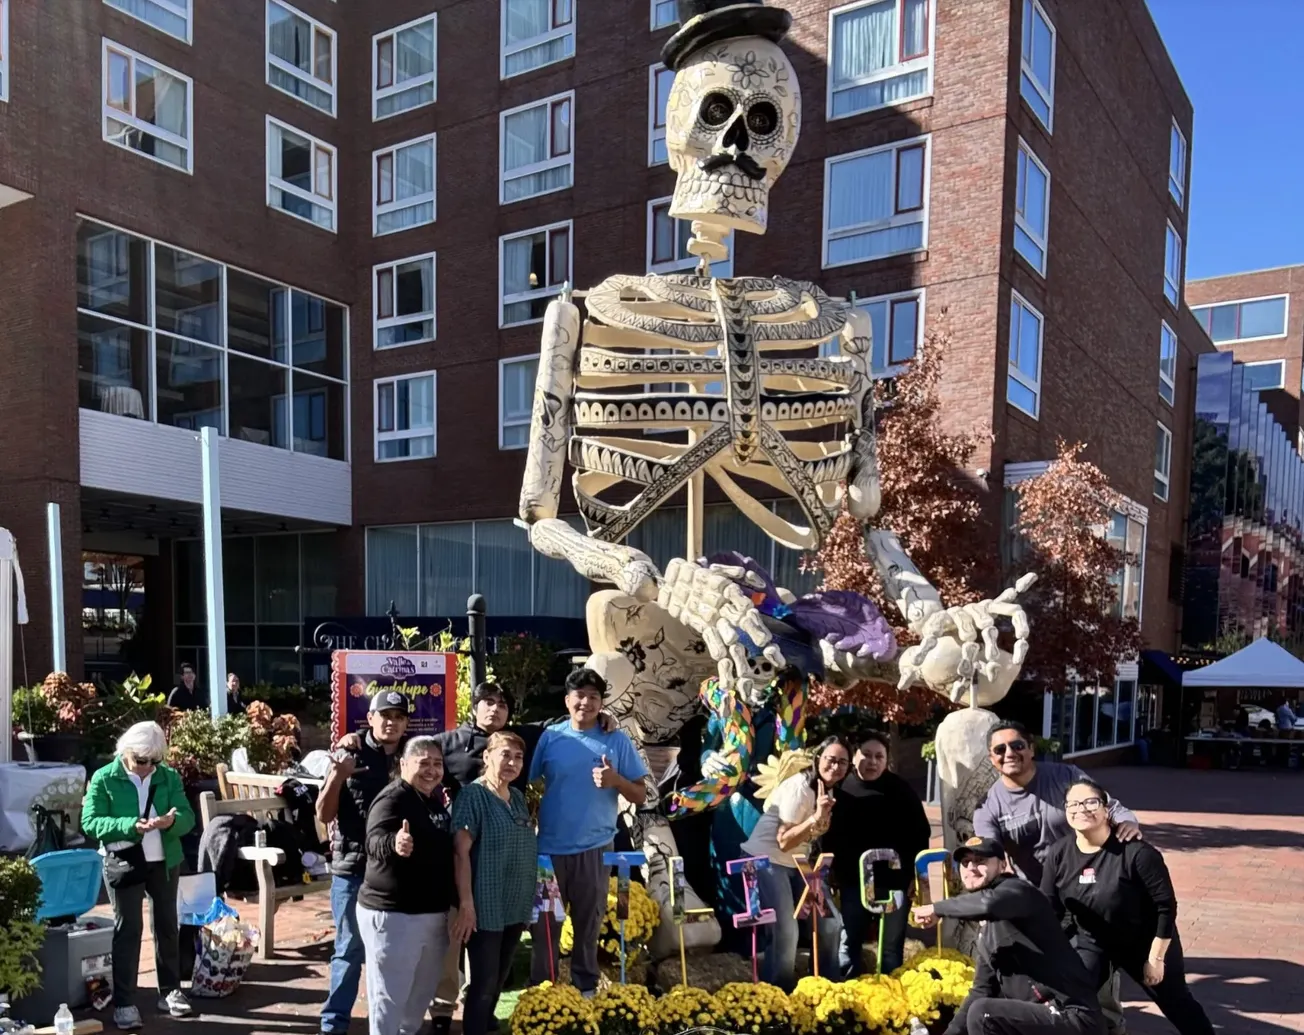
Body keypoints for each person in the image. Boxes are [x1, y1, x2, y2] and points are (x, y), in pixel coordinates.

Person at [1042, 779, 1215, 1035]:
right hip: (1093, 940)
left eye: (1091, 802)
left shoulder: (1137, 853)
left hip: (1143, 942)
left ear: (1106, 809)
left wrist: (1155, 959)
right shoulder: (1058, 854)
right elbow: (1049, 908)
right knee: (1072, 995)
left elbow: (1165, 907)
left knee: (1177, 1003)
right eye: (1074, 804)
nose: (1082, 809)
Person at [528, 668, 648, 996]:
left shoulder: (617, 739)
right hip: (547, 853)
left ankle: (585, 989)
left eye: (594, 696)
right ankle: (543, 993)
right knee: (544, 928)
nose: (586, 702)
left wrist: (617, 782)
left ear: (602, 702)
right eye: (579, 696)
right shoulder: (551, 737)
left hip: (595, 849)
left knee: (588, 925)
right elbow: (528, 782)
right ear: (567, 701)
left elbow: (641, 794)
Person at [912, 837, 1104, 1035]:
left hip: (1071, 1016)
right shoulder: (987, 932)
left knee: (984, 1013)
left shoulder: (1019, 892)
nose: (971, 867)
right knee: (980, 1007)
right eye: (965, 863)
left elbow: (990, 904)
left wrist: (937, 909)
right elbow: (981, 990)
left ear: (1003, 865)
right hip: (1039, 1019)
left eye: (981, 861)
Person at [81, 722, 197, 1031]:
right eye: (140, 761)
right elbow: (90, 822)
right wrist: (130, 825)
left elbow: (188, 816)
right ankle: (125, 1002)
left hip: (164, 860)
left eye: (153, 761)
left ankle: (170, 990)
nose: (147, 767)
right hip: (123, 863)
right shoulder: (105, 778)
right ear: (125, 752)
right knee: (128, 930)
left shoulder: (168, 776)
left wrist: (172, 822)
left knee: (167, 926)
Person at [316, 690, 409, 1035]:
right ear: (370, 718)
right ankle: (333, 1025)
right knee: (349, 949)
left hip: (397, 871)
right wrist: (339, 775)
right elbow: (324, 814)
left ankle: (388, 1024)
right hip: (353, 869)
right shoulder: (348, 753)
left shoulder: (411, 755)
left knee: (394, 952)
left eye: (399, 716)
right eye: (385, 715)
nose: (391, 722)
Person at [358, 737, 457, 1035]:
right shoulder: (392, 798)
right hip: (394, 916)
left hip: (432, 914)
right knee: (388, 1001)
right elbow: (373, 841)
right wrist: (394, 843)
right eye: (423, 763)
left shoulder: (432, 798)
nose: (431, 770)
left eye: (437, 764)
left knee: (419, 998)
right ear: (403, 765)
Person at [740, 735, 850, 991]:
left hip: (796, 863)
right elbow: (784, 841)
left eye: (842, 763)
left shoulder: (828, 789)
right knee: (787, 931)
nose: (835, 767)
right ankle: (779, 997)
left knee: (831, 923)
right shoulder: (799, 787)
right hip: (765, 859)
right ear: (817, 759)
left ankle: (825, 990)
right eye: (830, 760)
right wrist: (815, 819)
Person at [973, 721, 1142, 885]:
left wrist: (1126, 821)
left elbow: (1108, 806)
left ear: (1031, 749)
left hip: (1086, 878)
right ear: (992, 758)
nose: (1009, 753)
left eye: (1017, 746)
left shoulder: (1066, 777)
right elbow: (989, 851)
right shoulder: (988, 807)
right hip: (1037, 891)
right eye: (1000, 749)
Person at [821, 731, 931, 976]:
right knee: (848, 942)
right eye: (866, 755)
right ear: (854, 757)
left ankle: (890, 997)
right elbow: (827, 835)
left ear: (886, 760)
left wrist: (915, 877)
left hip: (894, 882)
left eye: (879, 756)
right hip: (852, 882)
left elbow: (920, 834)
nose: (872, 762)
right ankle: (850, 998)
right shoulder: (839, 789)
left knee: (891, 947)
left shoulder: (900, 790)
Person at [450, 732, 537, 1035]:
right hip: (484, 905)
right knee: (485, 982)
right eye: (505, 755)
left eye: (518, 757)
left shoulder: (518, 799)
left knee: (499, 978)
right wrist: (466, 905)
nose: (512, 762)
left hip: (515, 905)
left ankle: (486, 1025)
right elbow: (461, 853)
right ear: (486, 757)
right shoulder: (473, 796)